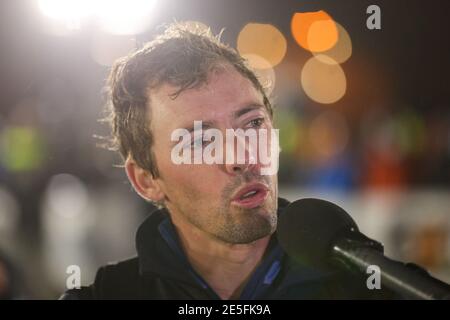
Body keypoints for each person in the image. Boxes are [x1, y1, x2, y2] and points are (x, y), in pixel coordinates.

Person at [61, 22, 395, 300]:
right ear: (146, 180)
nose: (242, 156)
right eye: (202, 141)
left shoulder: (370, 287)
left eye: (252, 124)